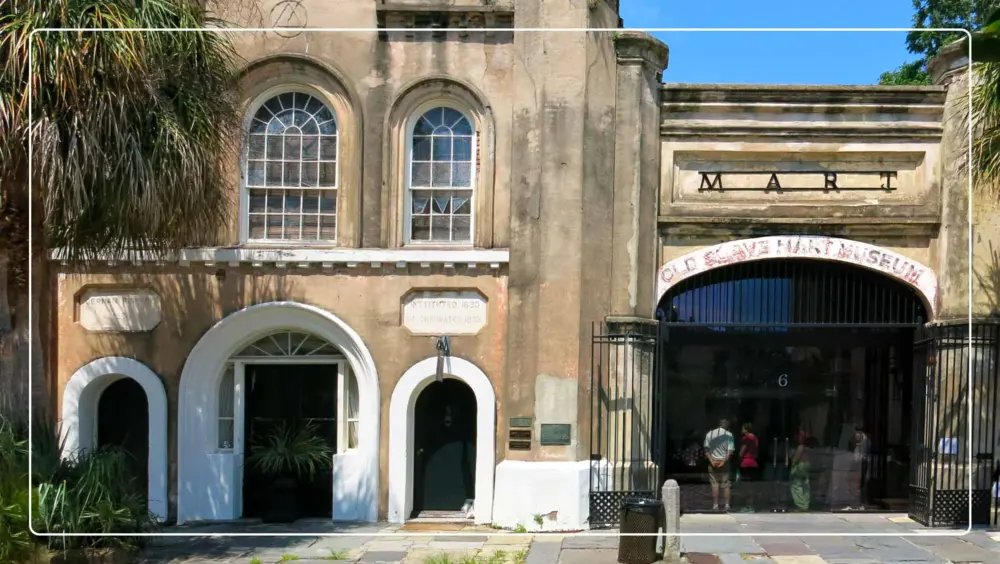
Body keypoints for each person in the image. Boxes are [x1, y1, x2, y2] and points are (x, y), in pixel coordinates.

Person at [704, 418, 735, 511]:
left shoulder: (709, 434)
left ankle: (715, 505)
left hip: (713, 462)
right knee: (726, 484)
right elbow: (730, 452)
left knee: (715, 484)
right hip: (724, 462)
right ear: (726, 425)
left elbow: (706, 450)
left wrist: (712, 460)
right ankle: (727, 505)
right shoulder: (729, 435)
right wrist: (723, 461)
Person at [789, 426, 813, 511]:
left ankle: (801, 505)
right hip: (806, 466)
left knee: (796, 485)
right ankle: (805, 504)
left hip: (800, 466)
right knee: (805, 485)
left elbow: (796, 458)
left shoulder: (800, 447)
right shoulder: (808, 448)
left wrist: (793, 464)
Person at [738, 422, 759, 512]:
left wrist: (739, 456)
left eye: (743, 428)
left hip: (746, 462)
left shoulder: (746, 438)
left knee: (746, 486)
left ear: (746, 429)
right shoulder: (755, 438)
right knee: (751, 486)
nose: (741, 430)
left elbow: (742, 451)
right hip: (753, 462)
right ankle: (751, 505)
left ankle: (747, 506)